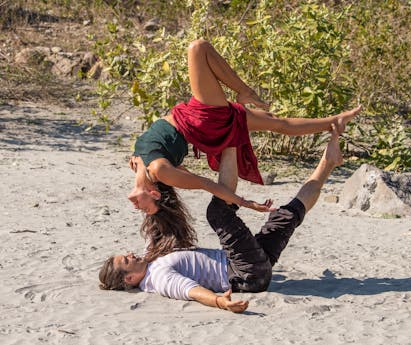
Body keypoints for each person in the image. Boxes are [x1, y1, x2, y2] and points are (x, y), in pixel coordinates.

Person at [99, 124, 344, 313]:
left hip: (254, 268)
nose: (130, 254)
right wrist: (219, 302)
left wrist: (143, 175)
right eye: (126, 260)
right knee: (217, 212)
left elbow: (156, 216)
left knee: (286, 215)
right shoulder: (159, 278)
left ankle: (328, 163)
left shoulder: (152, 260)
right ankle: (231, 136)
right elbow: (191, 291)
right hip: (244, 271)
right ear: (129, 279)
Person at [128, 39, 361, 215]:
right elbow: (205, 183)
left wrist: (138, 161)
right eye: (146, 208)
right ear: (154, 193)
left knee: (277, 122)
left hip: (194, 117)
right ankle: (245, 91)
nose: (138, 208)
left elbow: (160, 160)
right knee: (198, 49)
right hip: (201, 119)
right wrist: (244, 202)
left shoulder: (142, 166)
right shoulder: (160, 171)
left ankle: (333, 121)